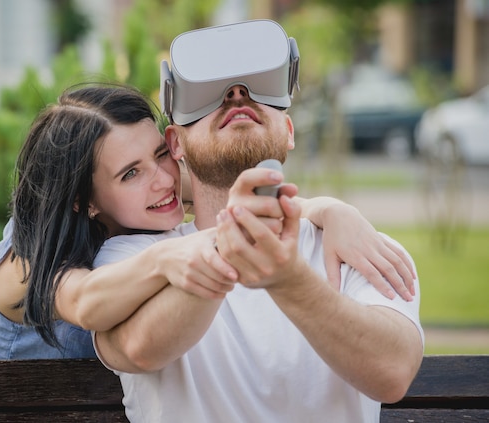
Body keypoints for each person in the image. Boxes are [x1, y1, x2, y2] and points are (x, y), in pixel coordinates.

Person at [91, 20, 423, 422]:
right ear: (175, 144)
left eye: (255, 87)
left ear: (288, 132)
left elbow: (393, 373)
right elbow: (138, 348)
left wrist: (288, 279)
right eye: (211, 94)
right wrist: (236, 245)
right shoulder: (131, 255)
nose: (236, 93)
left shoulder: (358, 247)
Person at [0, 82, 415, 361]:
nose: (164, 179)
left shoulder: (147, 197)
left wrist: (331, 210)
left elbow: (236, 196)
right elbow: (86, 303)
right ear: (84, 201)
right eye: (130, 173)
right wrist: (170, 258)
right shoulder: (26, 263)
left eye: (161, 153)